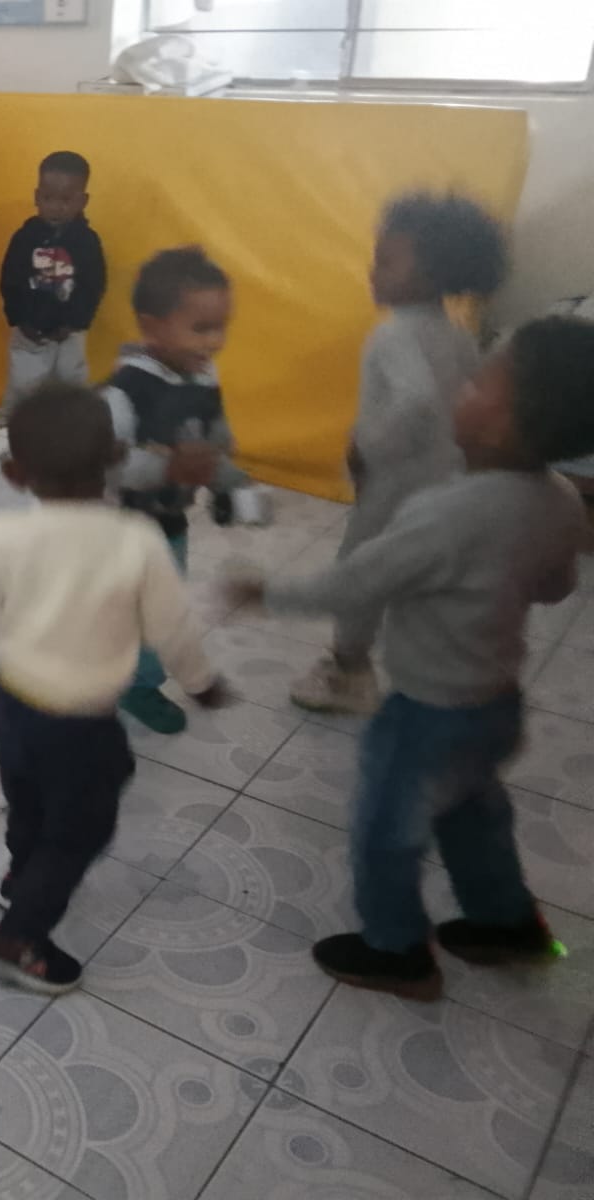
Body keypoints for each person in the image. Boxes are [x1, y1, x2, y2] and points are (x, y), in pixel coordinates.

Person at [226, 316, 594, 1000]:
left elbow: (356, 583)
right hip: (496, 704)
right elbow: (556, 587)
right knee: (474, 813)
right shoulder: (563, 499)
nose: (462, 387)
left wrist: (267, 592)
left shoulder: (447, 514)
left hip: (427, 714)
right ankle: (507, 922)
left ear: (505, 425)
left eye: (480, 380)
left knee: (385, 832)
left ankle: (397, 951)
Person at [0, 383, 226, 994]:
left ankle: (21, 873)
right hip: (79, 721)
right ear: (115, 457)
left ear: (14, 473)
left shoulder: (5, 534)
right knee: (79, 832)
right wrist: (200, 681)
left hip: (9, 700)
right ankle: (17, 939)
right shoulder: (137, 541)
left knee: (28, 799)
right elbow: (173, 626)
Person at [290, 192, 509, 715]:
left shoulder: (393, 336)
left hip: (392, 485)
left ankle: (348, 670)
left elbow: (416, 400)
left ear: (431, 274)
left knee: (360, 573)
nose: (373, 270)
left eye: (387, 261)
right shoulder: (458, 336)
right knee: (423, 575)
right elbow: (465, 399)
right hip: (446, 483)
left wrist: (366, 448)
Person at [102, 246, 241, 735]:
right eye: (201, 328)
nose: (215, 341)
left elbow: (215, 432)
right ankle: (127, 682)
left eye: (221, 327)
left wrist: (225, 480)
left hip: (171, 521)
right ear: (153, 326)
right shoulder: (125, 391)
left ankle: (134, 676)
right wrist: (167, 467)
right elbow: (107, 467)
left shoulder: (203, 375)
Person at [0, 151, 107, 460]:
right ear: (37, 197)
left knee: (71, 381)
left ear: (82, 201)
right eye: (49, 198)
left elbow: (93, 285)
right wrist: (19, 318)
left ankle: (73, 433)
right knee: (24, 382)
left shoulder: (87, 242)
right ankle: (8, 429)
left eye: (66, 200)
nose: (56, 207)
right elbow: (10, 278)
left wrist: (75, 322)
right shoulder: (25, 238)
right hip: (30, 329)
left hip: (69, 332)